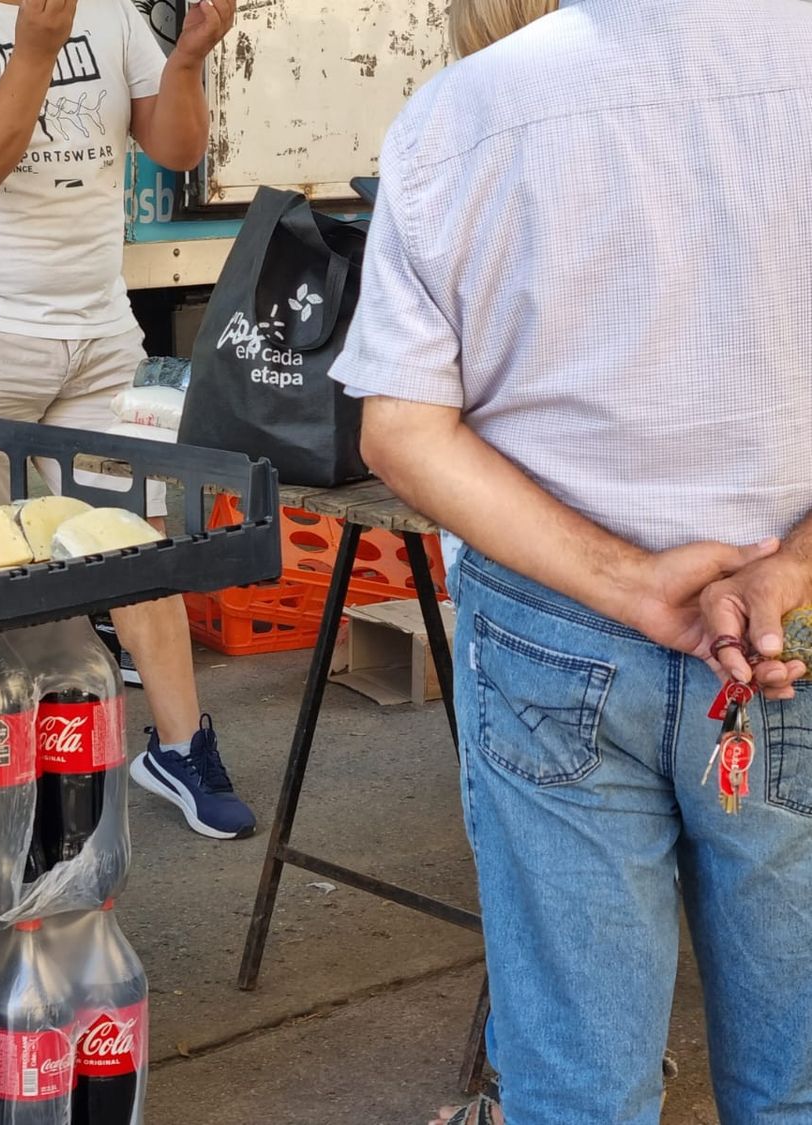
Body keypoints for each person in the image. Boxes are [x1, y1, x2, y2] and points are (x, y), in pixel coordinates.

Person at [330, 0, 812, 1122]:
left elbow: (401, 431)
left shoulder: (462, 112)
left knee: (579, 1091)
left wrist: (630, 584)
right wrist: (786, 570)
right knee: (794, 1081)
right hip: (790, 630)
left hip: (553, 632)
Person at [0, 0, 256, 840]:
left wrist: (188, 57)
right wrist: (38, 48)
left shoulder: (115, 12)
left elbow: (177, 147)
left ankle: (181, 747)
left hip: (96, 328)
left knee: (136, 542)